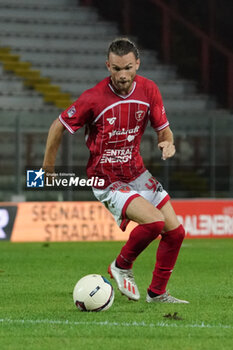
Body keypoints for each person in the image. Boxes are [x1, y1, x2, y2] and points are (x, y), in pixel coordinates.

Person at [43, 38, 189, 304]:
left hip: (137, 173)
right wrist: (48, 167)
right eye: (117, 68)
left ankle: (157, 293)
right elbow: (58, 125)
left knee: (175, 233)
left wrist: (167, 142)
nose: (123, 75)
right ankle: (121, 266)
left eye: (128, 68)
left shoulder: (149, 90)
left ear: (138, 65)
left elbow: (163, 129)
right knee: (154, 222)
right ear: (108, 66)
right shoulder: (94, 98)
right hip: (106, 178)